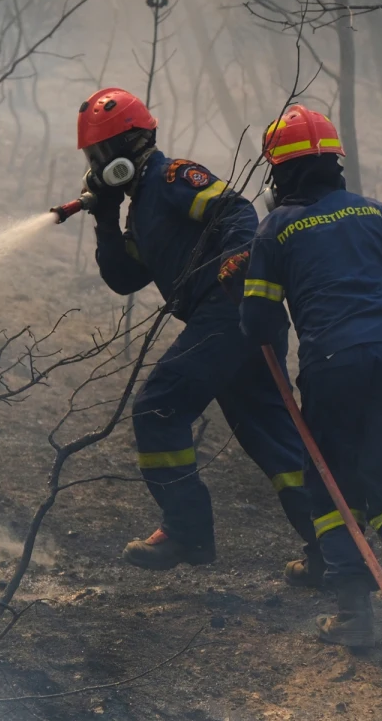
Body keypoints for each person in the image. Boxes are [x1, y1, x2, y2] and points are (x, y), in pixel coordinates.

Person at [76, 87, 322, 586]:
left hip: (229, 312)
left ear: (132, 143)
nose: (99, 166)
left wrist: (235, 269)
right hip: (239, 321)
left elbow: (237, 213)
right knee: (278, 444)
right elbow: (124, 277)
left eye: (103, 154)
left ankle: (187, 529)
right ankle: (333, 552)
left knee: (158, 407)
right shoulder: (140, 209)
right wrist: (103, 217)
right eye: (92, 158)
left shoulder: (172, 178)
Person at [232, 105, 382, 656]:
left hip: (331, 365)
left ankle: (355, 614)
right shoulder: (380, 215)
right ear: (336, 164)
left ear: (279, 174)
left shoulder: (275, 229)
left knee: (331, 489)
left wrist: (273, 359)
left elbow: (257, 320)